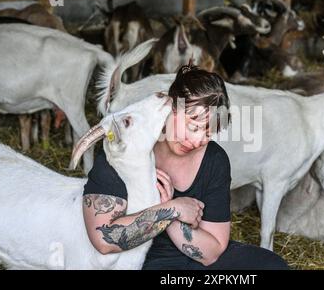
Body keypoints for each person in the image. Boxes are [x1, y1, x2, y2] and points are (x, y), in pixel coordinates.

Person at [82, 64, 289, 270]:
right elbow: (104, 240)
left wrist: (173, 218)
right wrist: (173, 209)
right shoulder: (127, 145)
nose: (198, 140)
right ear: (172, 107)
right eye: (193, 126)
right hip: (138, 262)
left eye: (208, 133)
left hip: (193, 259)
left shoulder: (214, 160)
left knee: (273, 266)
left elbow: (212, 252)